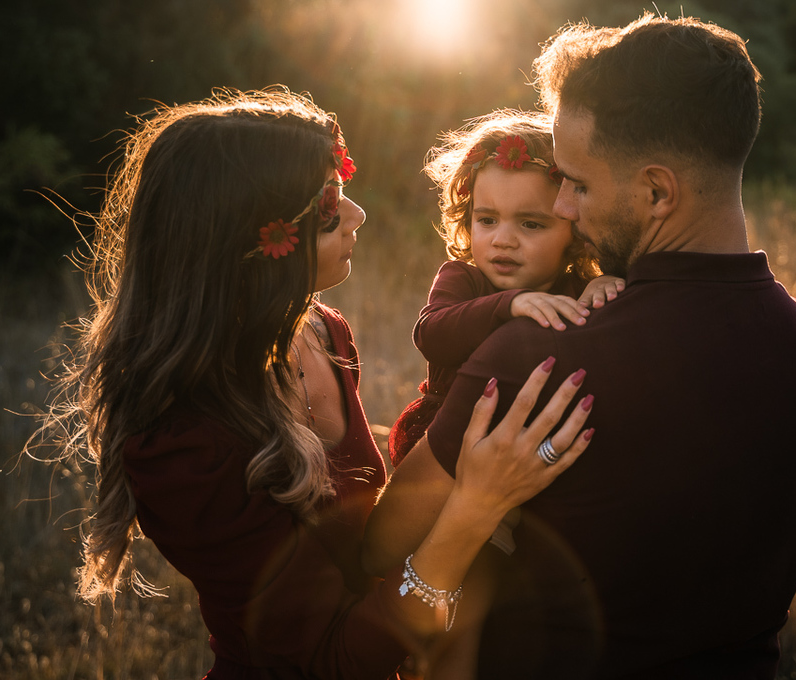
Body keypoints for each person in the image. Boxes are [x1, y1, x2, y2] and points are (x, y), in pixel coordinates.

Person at [49, 88, 598, 680]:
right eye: (331, 207)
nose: (360, 215)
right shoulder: (183, 445)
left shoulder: (320, 332)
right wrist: (477, 504)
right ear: (253, 240)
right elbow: (329, 661)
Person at [363, 15, 796, 679]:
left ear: (656, 192)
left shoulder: (539, 361)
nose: (563, 207)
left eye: (579, 184)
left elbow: (381, 550)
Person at [388, 110, 624, 468]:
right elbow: (431, 333)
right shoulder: (462, 279)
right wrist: (511, 304)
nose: (503, 240)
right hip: (448, 453)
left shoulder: (577, 289)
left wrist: (602, 288)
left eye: (530, 224)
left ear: (574, 231)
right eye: (487, 219)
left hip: (534, 451)